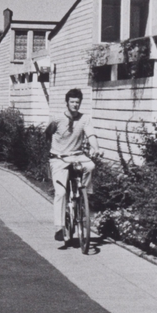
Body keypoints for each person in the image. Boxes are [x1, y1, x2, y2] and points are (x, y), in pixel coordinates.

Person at [45, 88, 98, 242]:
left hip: (77, 156)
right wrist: (53, 150)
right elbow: (47, 134)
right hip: (59, 158)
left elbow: (91, 135)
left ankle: (83, 194)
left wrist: (96, 148)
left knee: (91, 165)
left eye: (77, 102)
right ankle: (59, 227)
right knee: (61, 193)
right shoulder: (56, 119)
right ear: (67, 102)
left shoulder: (84, 119)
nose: (75, 105)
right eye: (72, 102)